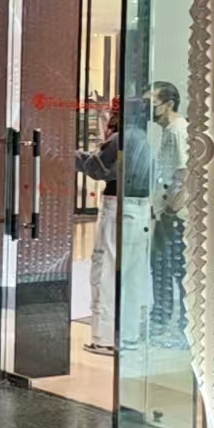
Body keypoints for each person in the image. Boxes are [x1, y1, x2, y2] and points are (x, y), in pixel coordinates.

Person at [75, 107, 122, 356]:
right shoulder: (139, 136)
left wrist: (70, 155)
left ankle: (104, 337)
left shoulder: (118, 140)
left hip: (115, 206)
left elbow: (97, 167)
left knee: (103, 267)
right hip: (125, 207)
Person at [147, 81, 190, 348]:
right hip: (166, 210)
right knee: (160, 266)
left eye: (152, 104)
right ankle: (162, 321)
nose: (148, 111)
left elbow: (185, 174)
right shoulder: (168, 131)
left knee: (177, 270)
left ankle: (183, 329)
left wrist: (173, 209)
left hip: (175, 213)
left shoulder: (178, 131)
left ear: (169, 104)